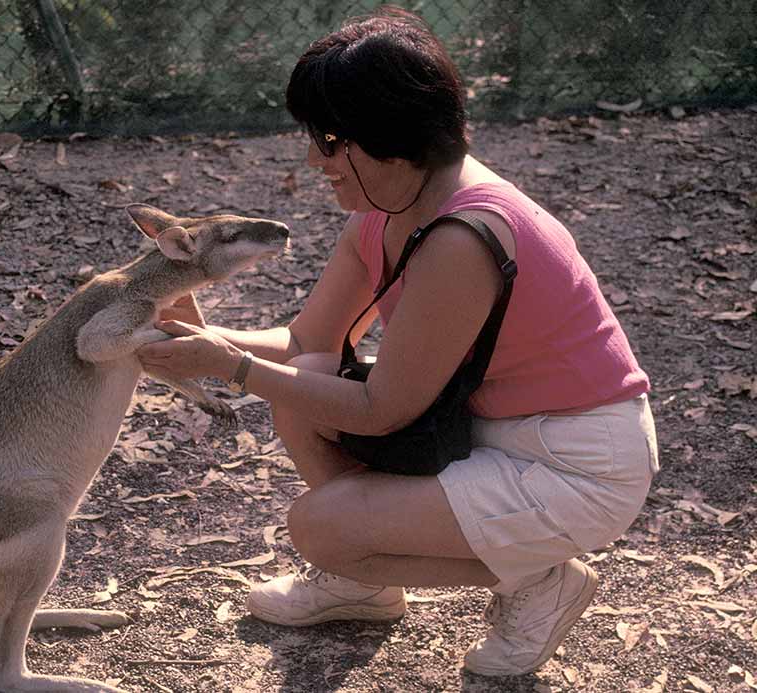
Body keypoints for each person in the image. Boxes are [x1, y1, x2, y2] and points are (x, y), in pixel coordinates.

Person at [137, 6, 658, 678]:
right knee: (304, 386)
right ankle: (365, 576)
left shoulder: (460, 237)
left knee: (318, 527)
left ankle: (535, 580)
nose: (315, 159)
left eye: (328, 140)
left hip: (577, 464)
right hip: (498, 427)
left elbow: (383, 409)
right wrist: (199, 336)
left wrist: (229, 367)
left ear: (384, 136)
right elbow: (307, 342)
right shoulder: (392, 209)